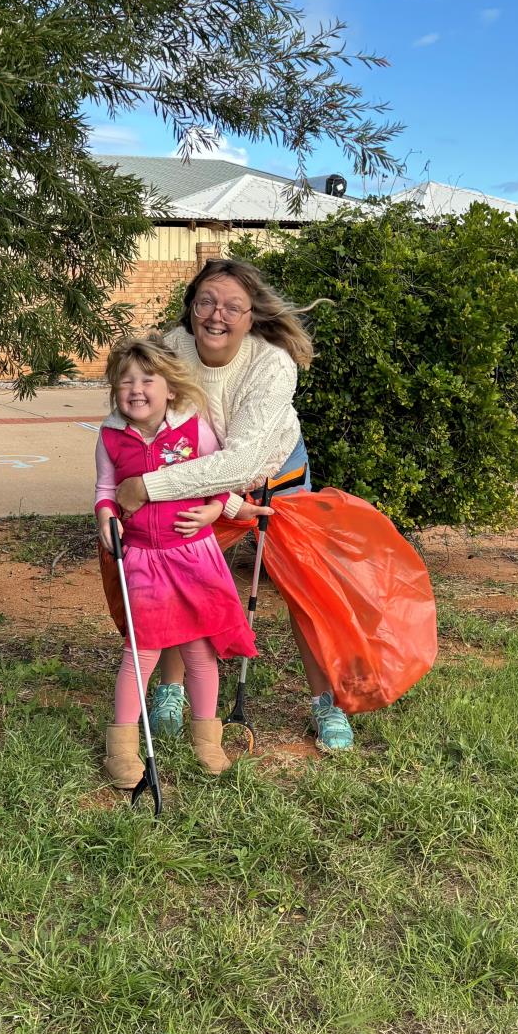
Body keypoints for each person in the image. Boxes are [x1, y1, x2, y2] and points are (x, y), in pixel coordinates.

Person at [112, 257, 354, 752]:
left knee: (302, 591)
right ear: (190, 307)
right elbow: (152, 432)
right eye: (205, 302)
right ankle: (171, 690)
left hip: (273, 476)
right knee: (178, 578)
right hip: (196, 477)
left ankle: (326, 702)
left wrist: (148, 488)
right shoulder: (170, 353)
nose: (216, 315)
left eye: (232, 307)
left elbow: (242, 462)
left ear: (251, 317)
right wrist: (217, 504)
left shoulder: (272, 363)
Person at [95, 334, 255, 787]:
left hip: (195, 555)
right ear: (114, 390)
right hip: (143, 557)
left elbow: (217, 476)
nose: (136, 389)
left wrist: (216, 508)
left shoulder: (193, 427)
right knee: (140, 652)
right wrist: (106, 518)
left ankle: (207, 740)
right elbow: (106, 490)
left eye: (148, 379)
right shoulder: (109, 437)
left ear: (170, 388)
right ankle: (122, 748)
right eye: (125, 381)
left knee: (200, 651)